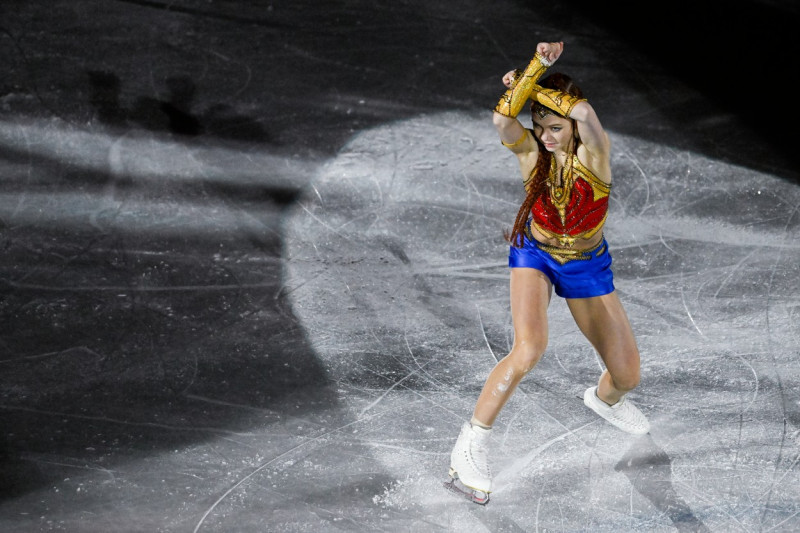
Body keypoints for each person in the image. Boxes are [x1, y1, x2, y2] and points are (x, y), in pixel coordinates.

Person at [444, 41, 650, 506]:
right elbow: (502, 121)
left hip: (586, 265)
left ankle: (604, 401)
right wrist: (531, 76)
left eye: (555, 127)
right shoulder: (532, 157)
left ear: (572, 128)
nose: (545, 135)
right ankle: (469, 446)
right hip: (534, 254)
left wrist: (533, 80)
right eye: (539, 126)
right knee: (530, 347)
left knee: (627, 377)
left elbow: (585, 110)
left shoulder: (594, 156)